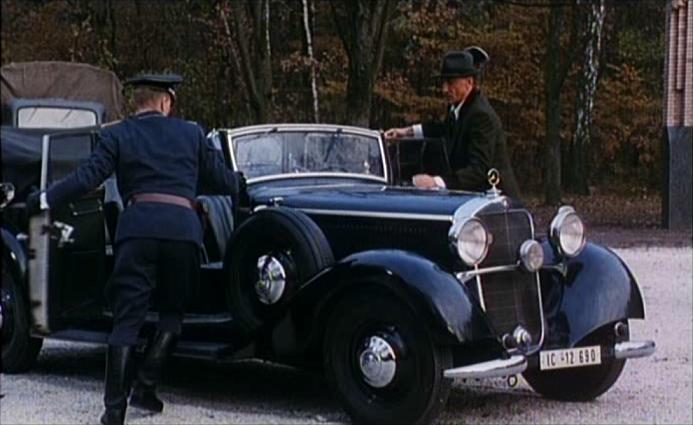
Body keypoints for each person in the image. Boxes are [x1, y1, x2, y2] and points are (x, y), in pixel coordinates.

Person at [26, 73, 244, 425]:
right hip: (183, 233)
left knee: (127, 320)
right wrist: (242, 185)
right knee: (174, 314)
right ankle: (145, 385)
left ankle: (114, 411)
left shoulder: (117, 134)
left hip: (138, 231)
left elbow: (87, 178)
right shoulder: (191, 133)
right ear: (165, 102)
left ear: (137, 103)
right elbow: (220, 180)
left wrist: (45, 198)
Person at [384, 49, 520, 198]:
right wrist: (406, 132)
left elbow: (478, 170)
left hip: (497, 203)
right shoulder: (459, 108)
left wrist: (436, 182)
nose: (444, 89)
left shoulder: (481, 116)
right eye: (444, 82)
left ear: (469, 82)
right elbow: (445, 129)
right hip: (475, 199)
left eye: (451, 83)